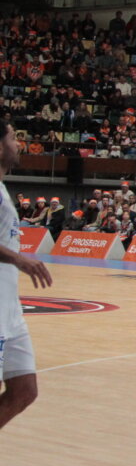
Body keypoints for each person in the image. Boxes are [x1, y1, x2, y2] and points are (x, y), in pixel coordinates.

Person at [0, 118, 54, 429]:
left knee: (24, 391)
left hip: (10, 309)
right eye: (12, 139)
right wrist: (20, 260)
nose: (18, 144)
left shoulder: (3, 189)